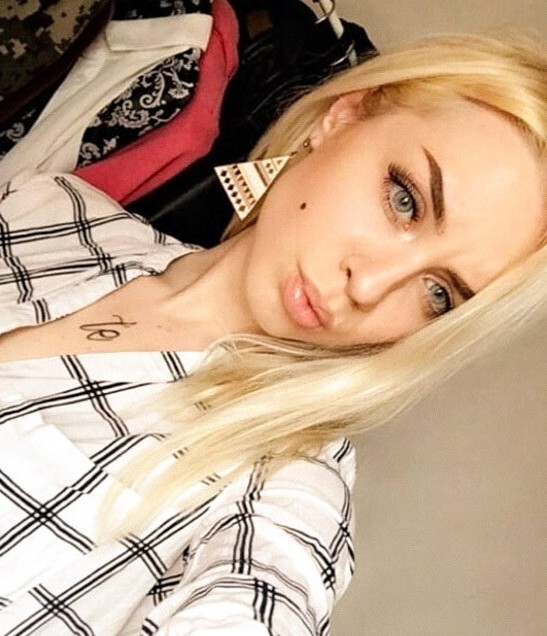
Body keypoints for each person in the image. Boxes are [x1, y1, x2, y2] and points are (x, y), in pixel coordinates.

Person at [0, 31, 545, 635]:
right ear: (342, 118)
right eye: (404, 200)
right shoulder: (52, 209)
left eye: (439, 293)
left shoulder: (284, 483)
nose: (370, 286)